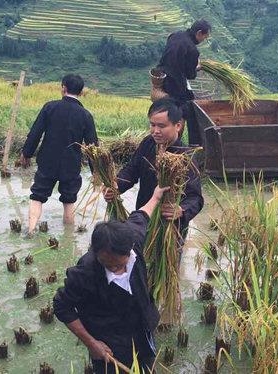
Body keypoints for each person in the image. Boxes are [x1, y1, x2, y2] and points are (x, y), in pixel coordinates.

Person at [53, 185, 168, 373]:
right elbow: (61, 305)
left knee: (147, 366)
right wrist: (91, 343)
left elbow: (142, 216)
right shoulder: (85, 271)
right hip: (110, 343)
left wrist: (156, 196)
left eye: (121, 264)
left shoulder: (133, 240)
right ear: (97, 254)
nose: (117, 270)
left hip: (143, 326)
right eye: (110, 266)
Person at [103, 98, 203, 238]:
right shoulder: (148, 143)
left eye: (161, 126)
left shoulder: (185, 156)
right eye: (152, 125)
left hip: (170, 227)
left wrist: (181, 210)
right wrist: (116, 185)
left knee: (166, 260)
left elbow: (196, 198)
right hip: (144, 217)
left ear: (178, 126)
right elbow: (132, 170)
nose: (155, 131)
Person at [20, 74, 98, 234]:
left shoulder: (50, 107)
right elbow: (92, 147)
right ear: (81, 93)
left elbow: (35, 132)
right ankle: (69, 237)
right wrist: (96, 171)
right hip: (71, 165)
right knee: (69, 200)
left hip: (47, 162)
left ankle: (31, 229)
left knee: (37, 196)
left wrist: (26, 153)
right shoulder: (85, 115)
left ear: (63, 88)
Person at [158, 19, 211, 146]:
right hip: (175, 84)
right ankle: (194, 145)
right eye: (205, 36)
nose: (204, 39)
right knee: (191, 110)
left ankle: (170, 142)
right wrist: (196, 67)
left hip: (162, 78)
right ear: (199, 33)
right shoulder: (193, 50)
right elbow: (190, 75)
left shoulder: (175, 35)